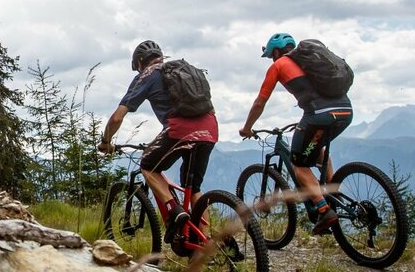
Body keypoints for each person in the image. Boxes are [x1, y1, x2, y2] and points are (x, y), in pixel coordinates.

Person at [98, 40, 219, 239]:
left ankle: (175, 210)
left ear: (139, 62)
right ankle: (206, 243)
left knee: (148, 165)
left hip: (179, 129)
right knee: (194, 187)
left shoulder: (147, 75)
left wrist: (105, 141)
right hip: (210, 128)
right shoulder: (186, 70)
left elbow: (117, 117)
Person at [239, 31, 353, 233]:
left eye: (270, 55)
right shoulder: (309, 62)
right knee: (318, 151)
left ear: (275, 52)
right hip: (345, 111)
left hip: (319, 115)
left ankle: (324, 209)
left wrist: (247, 128)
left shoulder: (278, 65)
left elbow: (260, 102)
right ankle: (334, 192)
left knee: (299, 165)